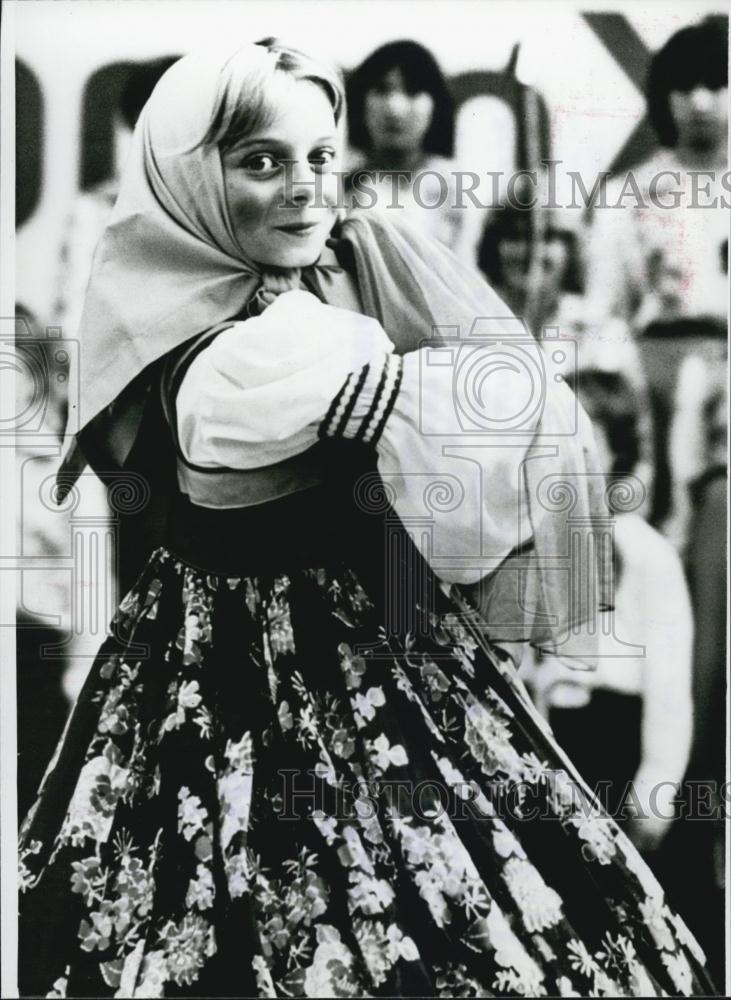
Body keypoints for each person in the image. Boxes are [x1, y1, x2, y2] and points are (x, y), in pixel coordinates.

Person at [18, 41, 714, 999]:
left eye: (318, 156)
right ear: (188, 177)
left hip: (396, 645)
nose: (306, 187)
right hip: (219, 666)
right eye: (262, 161)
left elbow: (484, 461)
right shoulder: (205, 339)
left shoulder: (348, 268)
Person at [522, 369, 694, 855]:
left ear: (616, 451)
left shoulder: (646, 554)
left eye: (583, 443)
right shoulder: (536, 543)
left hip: (613, 744)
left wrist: (654, 793)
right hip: (547, 742)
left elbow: (668, 688)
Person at [345, 40, 483, 263]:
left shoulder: (456, 187)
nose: (394, 108)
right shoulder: (341, 187)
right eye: (381, 89)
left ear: (435, 104)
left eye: (413, 91)